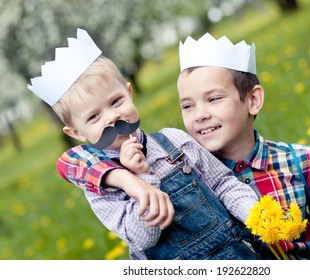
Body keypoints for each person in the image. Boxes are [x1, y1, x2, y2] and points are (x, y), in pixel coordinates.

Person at [54, 32, 310, 259]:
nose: (200, 115)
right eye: (187, 106)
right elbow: (71, 162)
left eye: (213, 99)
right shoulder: (119, 169)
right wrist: (135, 179)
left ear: (252, 101)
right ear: (77, 130)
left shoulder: (297, 161)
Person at [27, 28, 262, 260]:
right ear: (76, 132)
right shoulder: (101, 188)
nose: (112, 117)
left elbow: (222, 183)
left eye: (116, 101)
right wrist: (142, 178)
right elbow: (143, 238)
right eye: (94, 117)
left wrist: (255, 215)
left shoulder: (173, 140)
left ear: (129, 92)